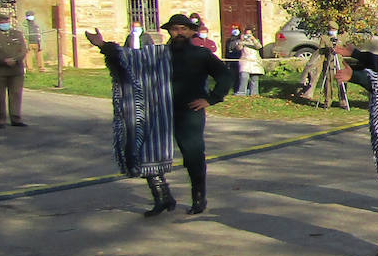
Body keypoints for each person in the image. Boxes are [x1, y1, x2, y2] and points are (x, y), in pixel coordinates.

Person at [85, 13, 232, 215]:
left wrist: (212, 98)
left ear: (191, 32)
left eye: (183, 29)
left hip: (189, 111)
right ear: (169, 31)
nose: (179, 32)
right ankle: (162, 197)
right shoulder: (156, 54)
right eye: (175, 29)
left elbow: (225, 75)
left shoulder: (201, 54)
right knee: (148, 151)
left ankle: (199, 198)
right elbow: (128, 58)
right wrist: (102, 44)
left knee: (192, 154)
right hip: (158, 109)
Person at [0, 13, 29, 128]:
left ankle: (16, 118)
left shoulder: (17, 34)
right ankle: (0, 120)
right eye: (2, 23)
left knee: (16, 94)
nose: (5, 24)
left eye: (6, 22)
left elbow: (23, 50)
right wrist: (3, 60)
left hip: (16, 70)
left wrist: (15, 59)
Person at [236, 28, 264, 96]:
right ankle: (242, 92)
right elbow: (238, 48)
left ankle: (254, 93)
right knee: (244, 76)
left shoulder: (256, 41)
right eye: (246, 34)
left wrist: (253, 39)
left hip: (255, 62)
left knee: (254, 78)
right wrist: (241, 40)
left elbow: (259, 46)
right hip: (245, 61)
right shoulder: (241, 41)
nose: (248, 35)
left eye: (249, 34)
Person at [224, 25, 244, 92]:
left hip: (240, 59)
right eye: (233, 29)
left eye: (236, 29)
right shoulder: (229, 40)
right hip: (231, 60)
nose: (235, 30)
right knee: (233, 76)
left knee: (240, 76)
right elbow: (227, 50)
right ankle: (234, 89)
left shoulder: (242, 40)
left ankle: (241, 89)